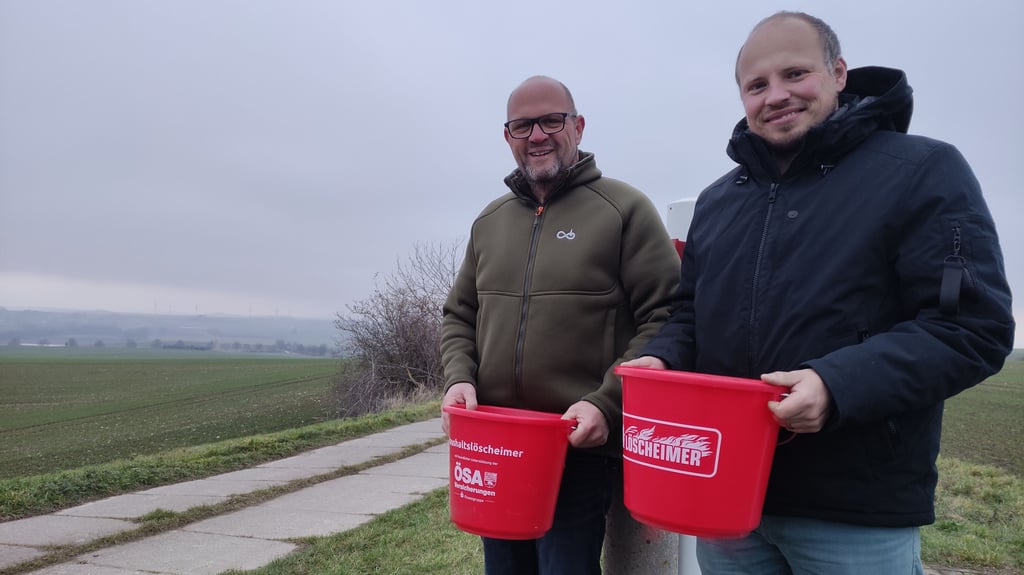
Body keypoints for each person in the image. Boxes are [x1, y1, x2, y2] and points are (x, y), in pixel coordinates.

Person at [623, 11, 1015, 575]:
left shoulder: (923, 170)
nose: (776, 95)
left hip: (855, 508)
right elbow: (689, 313)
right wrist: (661, 355)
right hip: (725, 496)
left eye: (795, 74)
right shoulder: (719, 201)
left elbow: (971, 328)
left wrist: (836, 384)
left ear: (837, 72)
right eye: (757, 85)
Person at [440, 75, 680, 575]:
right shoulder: (490, 221)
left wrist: (606, 404)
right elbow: (460, 314)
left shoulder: (624, 210)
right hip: (497, 445)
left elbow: (668, 316)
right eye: (523, 126)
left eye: (552, 121)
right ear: (508, 136)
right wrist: (459, 377)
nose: (538, 136)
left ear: (578, 126)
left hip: (579, 445)